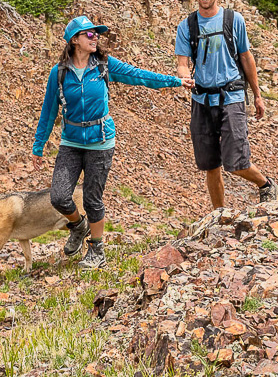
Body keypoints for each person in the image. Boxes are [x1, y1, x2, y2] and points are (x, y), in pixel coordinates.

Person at [33, 15, 194, 268]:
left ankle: (97, 252)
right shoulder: (60, 73)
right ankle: (78, 226)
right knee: (59, 196)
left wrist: (176, 81)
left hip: (101, 142)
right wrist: (38, 146)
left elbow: (140, 76)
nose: (95, 37)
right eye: (89, 34)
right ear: (74, 40)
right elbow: (48, 111)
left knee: (92, 199)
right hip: (71, 143)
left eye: (96, 33)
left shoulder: (105, 65)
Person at [175, 0, 276, 208]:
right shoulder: (187, 26)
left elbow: (246, 57)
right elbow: (181, 63)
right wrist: (185, 76)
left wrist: (257, 96)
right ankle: (219, 215)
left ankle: (266, 185)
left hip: (231, 96)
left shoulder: (234, 20)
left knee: (236, 161)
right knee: (210, 164)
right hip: (201, 100)